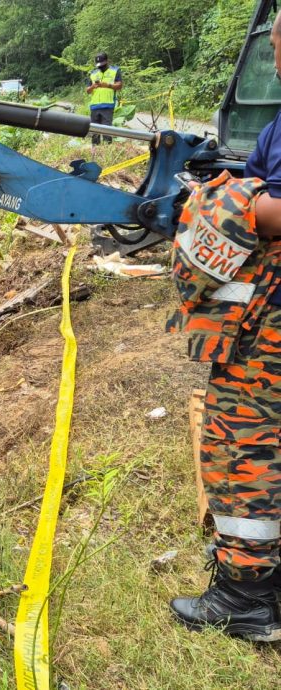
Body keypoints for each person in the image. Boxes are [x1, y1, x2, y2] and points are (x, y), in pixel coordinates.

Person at [168, 10, 281, 642]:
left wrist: (222, 203)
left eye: (275, 43)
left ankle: (246, 599)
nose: (271, 52)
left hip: (268, 329)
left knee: (244, 445)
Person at [85, 52, 122, 145]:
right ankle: (95, 151)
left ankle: (107, 150)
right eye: (98, 65)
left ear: (107, 61)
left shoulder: (115, 70)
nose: (100, 67)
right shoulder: (93, 73)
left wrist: (108, 85)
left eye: (102, 65)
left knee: (107, 131)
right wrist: (93, 86)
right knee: (95, 133)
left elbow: (119, 86)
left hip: (107, 105)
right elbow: (87, 90)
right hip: (94, 106)